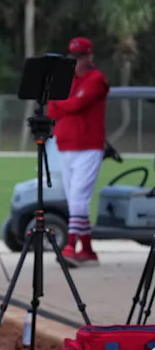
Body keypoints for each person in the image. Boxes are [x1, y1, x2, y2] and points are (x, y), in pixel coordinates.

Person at [48, 36, 109, 267]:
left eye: (79, 57)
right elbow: (53, 109)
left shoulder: (96, 79)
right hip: (66, 144)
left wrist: (64, 103)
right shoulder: (67, 79)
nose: (75, 62)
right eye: (73, 57)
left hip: (88, 146)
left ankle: (71, 246)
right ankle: (88, 250)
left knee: (79, 199)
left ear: (89, 57)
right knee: (74, 198)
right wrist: (65, 103)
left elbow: (76, 105)